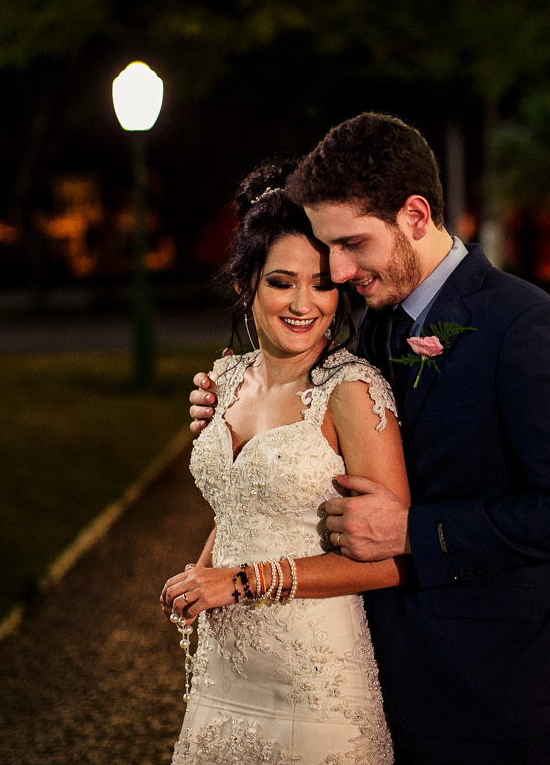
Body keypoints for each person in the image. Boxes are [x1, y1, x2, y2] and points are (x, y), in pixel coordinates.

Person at [188, 113, 550, 765]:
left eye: (352, 244)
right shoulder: (376, 326)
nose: (337, 268)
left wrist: (416, 532)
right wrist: (234, 407)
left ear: (415, 215)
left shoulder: (525, 324)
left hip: (494, 684)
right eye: (328, 247)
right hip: (374, 675)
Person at [162, 162, 409, 764]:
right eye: (282, 282)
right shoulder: (225, 378)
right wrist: (199, 576)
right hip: (223, 678)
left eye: (322, 284)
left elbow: (389, 562)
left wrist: (241, 583)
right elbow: (243, 505)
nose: (304, 304)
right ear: (247, 283)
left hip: (315, 683)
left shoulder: (351, 390)